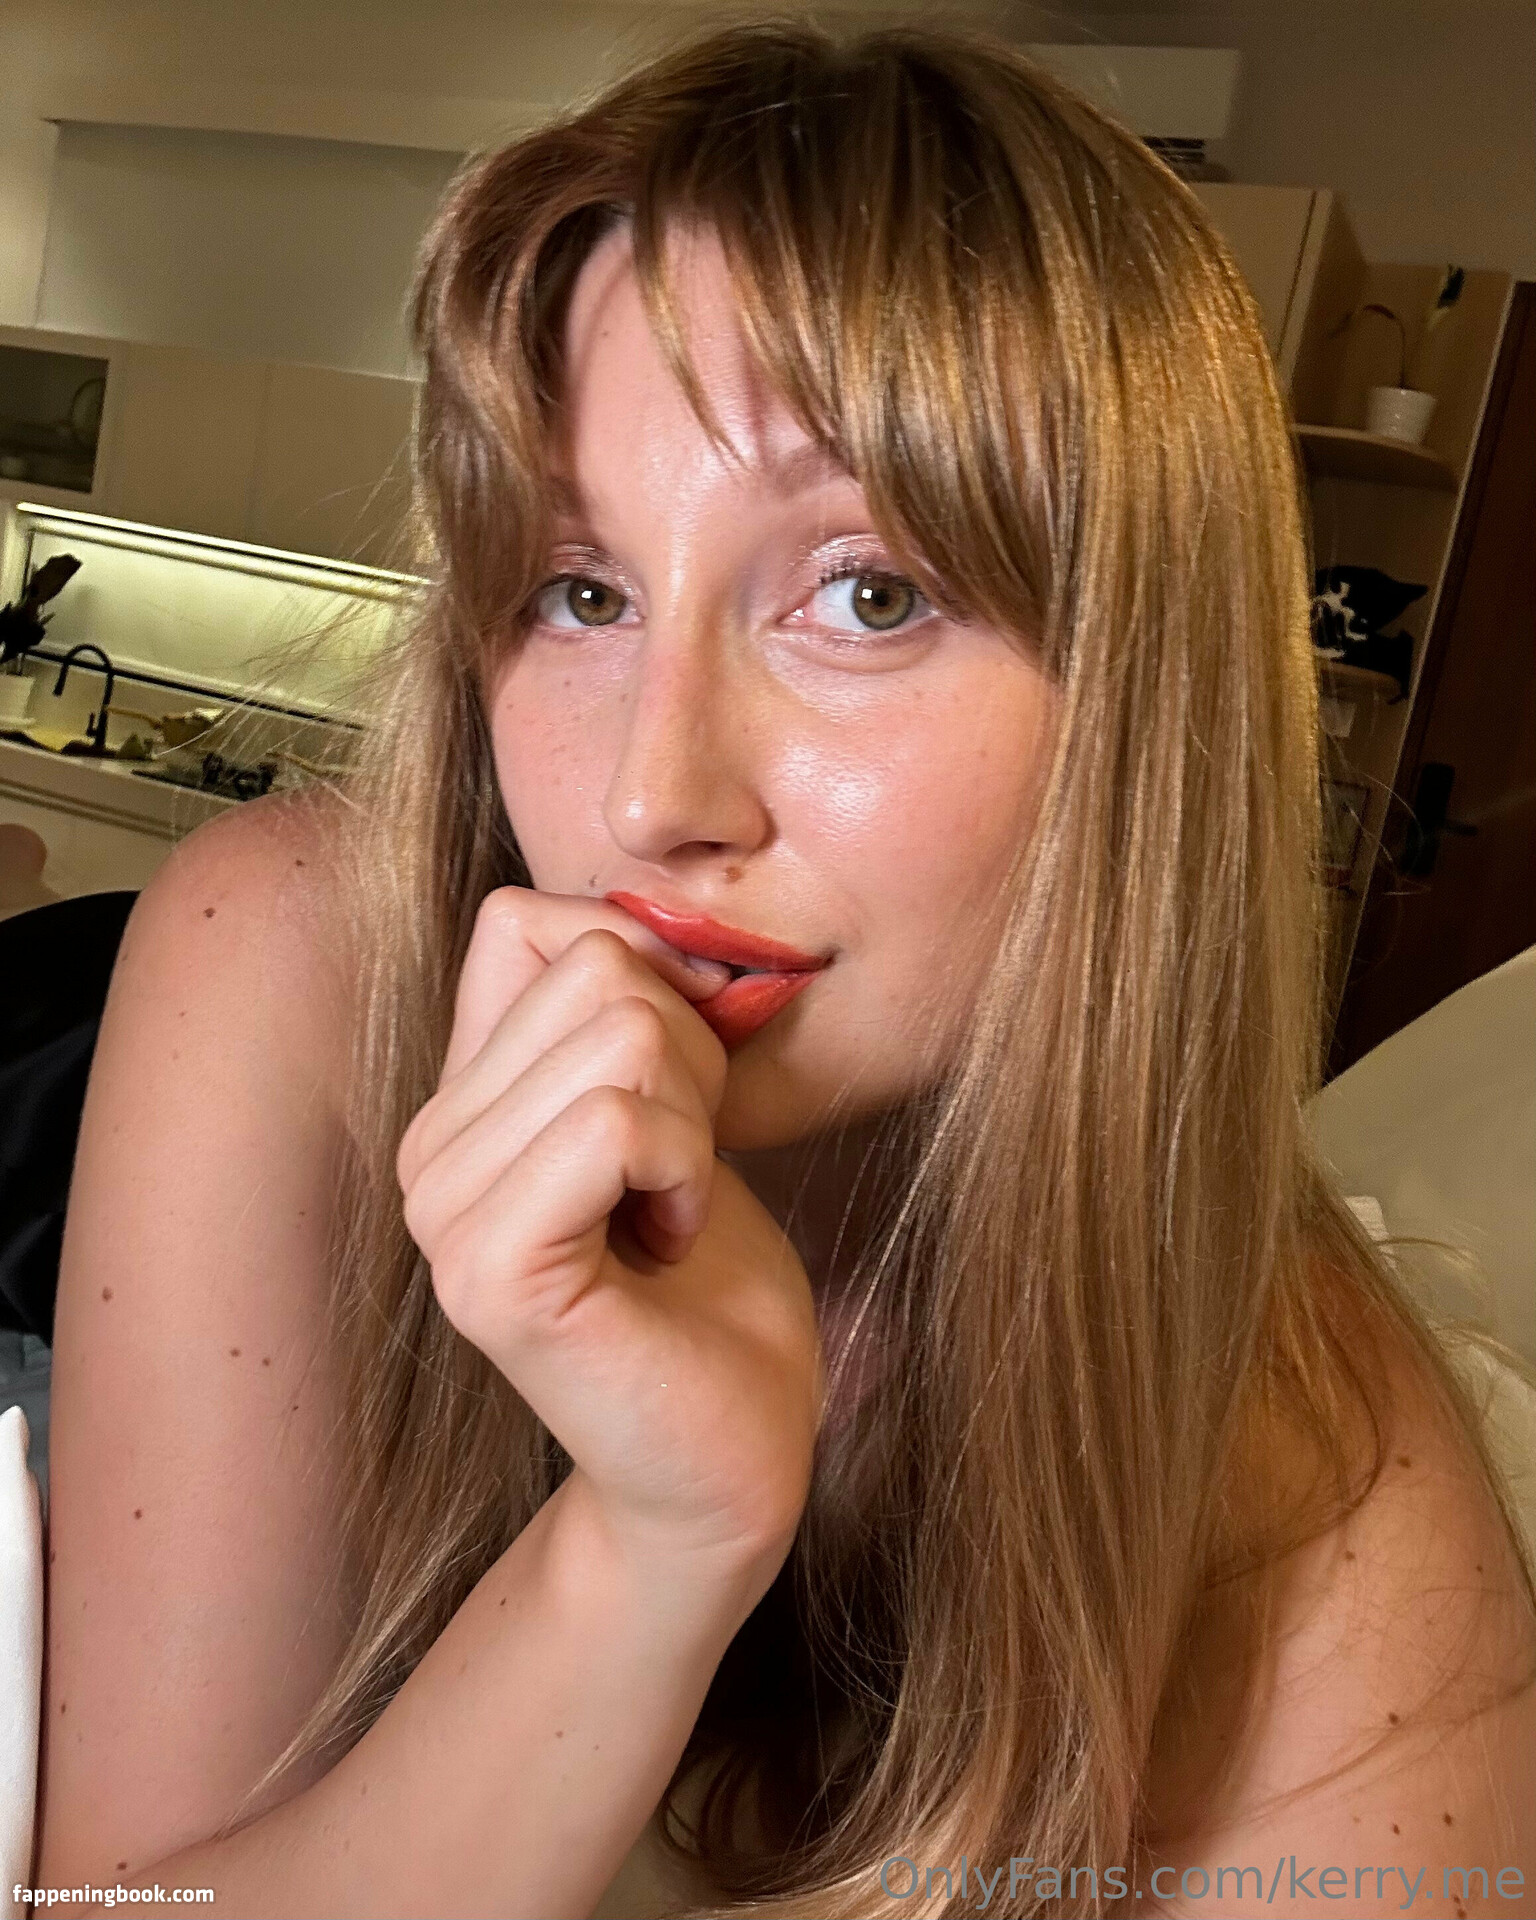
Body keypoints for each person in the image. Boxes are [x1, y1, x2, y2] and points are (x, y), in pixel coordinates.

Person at [32, 19, 1536, 1918]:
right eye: (583, 591)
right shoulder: (290, 962)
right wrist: (643, 1554)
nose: (649, 797)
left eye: (868, 595)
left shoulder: (1347, 1535)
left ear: (1144, 716)